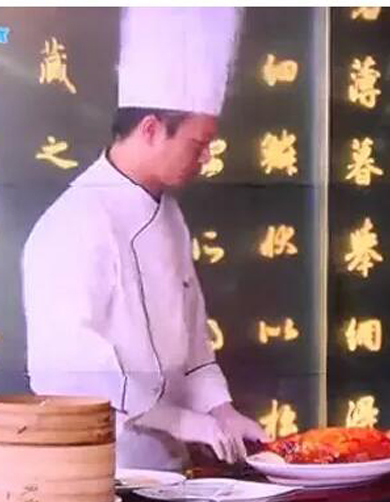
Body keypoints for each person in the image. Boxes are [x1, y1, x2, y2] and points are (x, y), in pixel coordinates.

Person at [22, 7, 266, 471]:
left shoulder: (169, 215)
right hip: (99, 471)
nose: (206, 159)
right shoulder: (75, 221)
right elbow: (69, 367)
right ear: (151, 129)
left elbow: (192, 338)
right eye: (198, 145)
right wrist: (177, 420)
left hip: (168, 469)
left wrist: (221, 412)